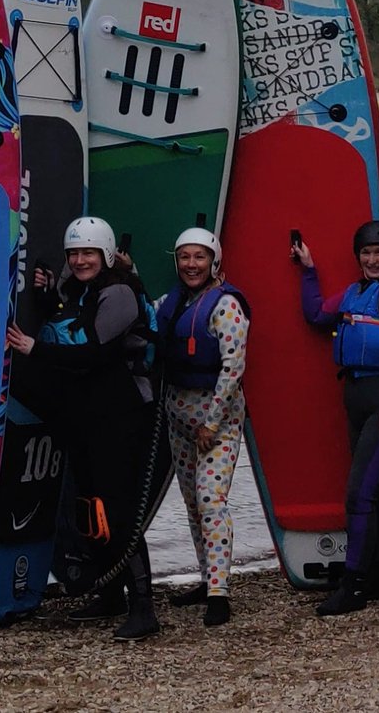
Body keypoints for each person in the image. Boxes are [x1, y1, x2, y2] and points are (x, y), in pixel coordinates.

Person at [5, 216, 161, 641]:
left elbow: (94, 353)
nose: (79, 261)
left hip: (121, 413)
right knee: (90, 505)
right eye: (73, 254)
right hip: (88, 413)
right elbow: (67, 325)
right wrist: (43, 297)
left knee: (119, 509)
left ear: (105, 254)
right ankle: (109, 593)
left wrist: (34, 348)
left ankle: (143, 607)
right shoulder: (81, 291)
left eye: (88, 253)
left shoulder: (120, 292)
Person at [294, 220, 379, 616]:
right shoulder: (354, 293)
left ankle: (353, 586)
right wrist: (309, 270)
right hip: (358, 398)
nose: (372, 260)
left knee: (359, 494)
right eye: (366, 253)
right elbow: (316, 314)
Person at [155, 227, 250, 627]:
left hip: (216, 422)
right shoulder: (173, 302)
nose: (191, 265)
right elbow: (144, 314)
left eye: (199, 257)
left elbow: (233, 367)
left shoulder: (225, 305)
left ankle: (219, 593)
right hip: (178, 417)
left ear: (214, 261)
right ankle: (206, 576)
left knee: (211, 500)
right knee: (192, 504)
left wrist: (211, 423)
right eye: (184, 257)